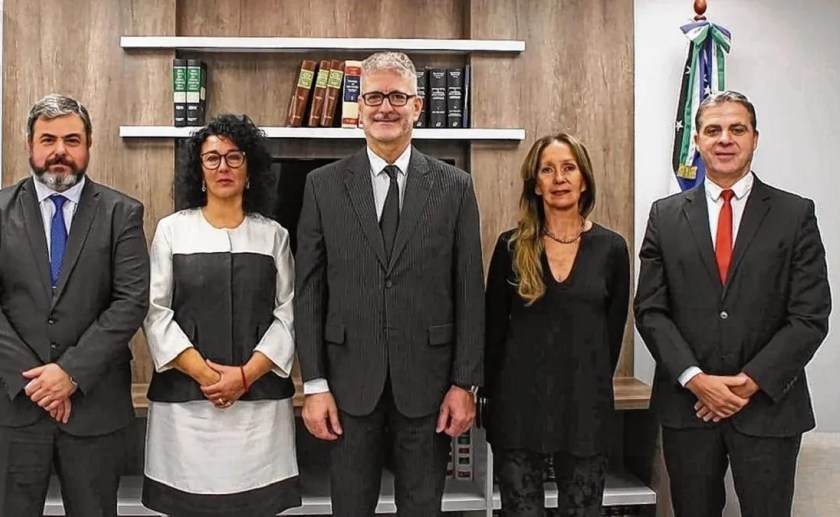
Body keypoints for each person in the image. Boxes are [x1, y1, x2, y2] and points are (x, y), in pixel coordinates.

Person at [294, 51, 486, 517]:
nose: (385, 107)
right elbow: (310, 292)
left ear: (417, 106)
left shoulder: (455, 187)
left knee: (422, 508)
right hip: (347, 385)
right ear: (358, 107)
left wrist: (464, 383)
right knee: (350, 507)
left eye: (397, 97)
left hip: (428, 386)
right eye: (374, 96)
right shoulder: (322, 186)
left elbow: (469, 292)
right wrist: (314, 384)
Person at [634, 90, 831, 516]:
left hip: (769, 409)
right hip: (689, 408)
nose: (725, 139)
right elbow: (650, 309)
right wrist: (695, 379)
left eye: (737, 129)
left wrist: (750, 382)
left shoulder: (794, 214)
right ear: (698, 141)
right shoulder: (664, 216)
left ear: (755, 138)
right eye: (713, 130)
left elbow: (810, 315)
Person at [0, 94, 150, 517]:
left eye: (71, 140)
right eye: (48, 139)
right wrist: (37, 382)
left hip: (93, 407)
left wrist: (70, 373)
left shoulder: (122, 214)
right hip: (12, 405)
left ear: (89, 144)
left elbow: (130, 302)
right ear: (30, 144)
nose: (59, 151)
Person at [140, 113, 300, 517]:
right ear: (199, 171)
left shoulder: (274, 236)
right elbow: (155, 312)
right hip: (186, 411)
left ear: (250, 169)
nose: (223, 167)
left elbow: (289, 314)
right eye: (212, 158)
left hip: (259, 410)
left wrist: (244, 377)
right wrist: (209, 377)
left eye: (234, 157)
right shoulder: (172, 231)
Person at [483, 133, 630, 516]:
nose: (559, 178)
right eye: (547, 170)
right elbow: (493, 333)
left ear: (584, 180)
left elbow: (611, 337)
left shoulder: (612, 249)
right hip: (518, 409)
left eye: (568, 168)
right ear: (535, 183)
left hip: (584, 409)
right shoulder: (510, 247)